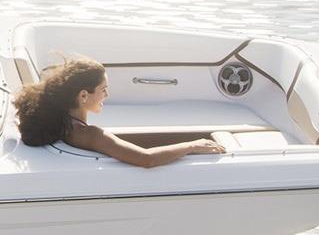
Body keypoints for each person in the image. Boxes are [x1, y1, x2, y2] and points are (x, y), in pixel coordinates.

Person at [14, 58, 227, 167]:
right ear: (83, 95)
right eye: (103, 89)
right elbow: (147, 159)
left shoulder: (58, 120)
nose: (107, 95)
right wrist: (192, 146)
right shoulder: (88, 134)